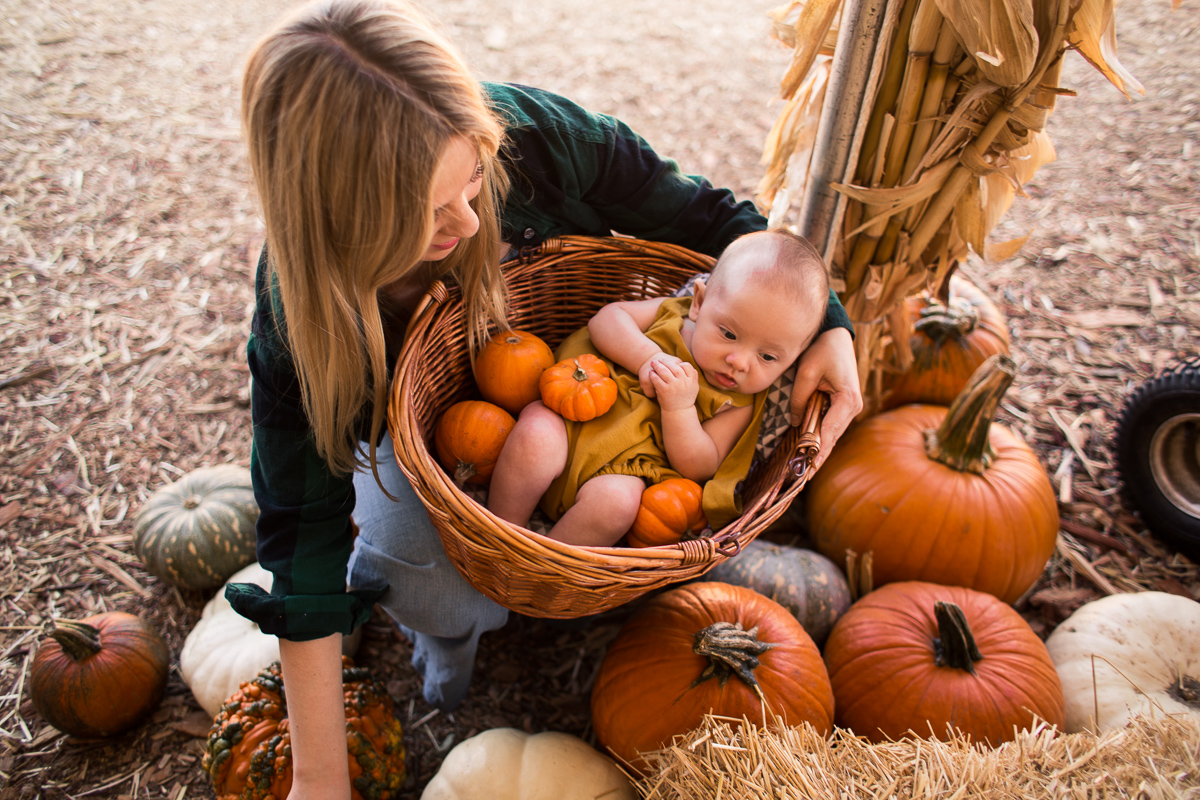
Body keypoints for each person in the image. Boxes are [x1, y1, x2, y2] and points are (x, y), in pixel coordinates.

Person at [225, 1, 862, 797]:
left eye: (474, 180)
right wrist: (320, 774)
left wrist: (831, 328)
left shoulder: (532, 138)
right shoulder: (301, 322)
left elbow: (721, 229)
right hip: (439, 443)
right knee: (423, 581)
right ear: (342, 221)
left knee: (618, 516)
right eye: (429, 214)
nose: (467, 216)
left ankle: (548, 564)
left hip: (561, 405)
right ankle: (451, 633)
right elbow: (302, 540)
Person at [488, 229, 829, 545]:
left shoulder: (738, 402)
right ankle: (502, 535)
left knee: (616, 506)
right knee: (534, 432)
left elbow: (701, 465)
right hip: (569, 422)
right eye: (728, 334)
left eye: (768, 356)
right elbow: (606, 321)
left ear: (792, 360)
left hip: (624, 470)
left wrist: (679, 409)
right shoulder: (674, 315)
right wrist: (646, 358)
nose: (740, 362)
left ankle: (545, 563)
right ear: (699, 303)